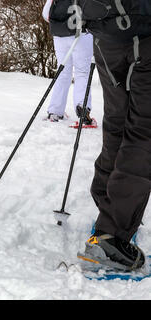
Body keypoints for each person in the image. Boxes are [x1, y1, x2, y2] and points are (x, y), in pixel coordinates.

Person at [75, 0, 151, 271]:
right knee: (144, 133)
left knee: (117, 126)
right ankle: (112, 234)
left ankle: (108, 203)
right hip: (143, 35)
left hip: (105, 34)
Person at [42, 0, 94, 125]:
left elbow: (46, 14)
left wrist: (63, 24)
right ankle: (83, 108)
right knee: (82, 72)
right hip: (82, 34)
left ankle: (55, 111)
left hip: (59, 35)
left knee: (63, 72)